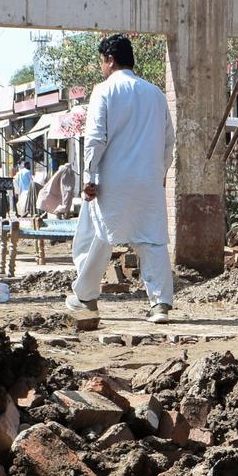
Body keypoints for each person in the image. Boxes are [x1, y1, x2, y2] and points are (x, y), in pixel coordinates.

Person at [68, 33, 176, 325]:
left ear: (110, 60)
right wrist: (160, 173)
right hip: (148, 181)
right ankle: (161, 305)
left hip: (111, 180)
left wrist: (89, 176)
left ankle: (86, 297)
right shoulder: (155, 94)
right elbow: (169, 141)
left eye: (102, 61)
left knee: (99, 236)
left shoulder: (104, 91)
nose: (102, 67)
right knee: (152, 239)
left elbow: (95, 138)